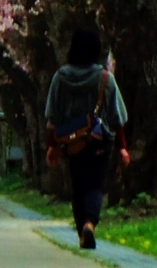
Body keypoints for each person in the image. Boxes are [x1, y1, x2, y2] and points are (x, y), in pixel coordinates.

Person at [46, 27, 130, 251]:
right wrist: (122, 148)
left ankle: (82, 233)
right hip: (98, 142)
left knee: (78, 188)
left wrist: (51, 146)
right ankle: (90, 224)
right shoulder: (105, 78)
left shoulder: (60, 77)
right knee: (95, 186)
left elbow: (52, 116)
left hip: (71, 144)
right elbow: (118, 117)